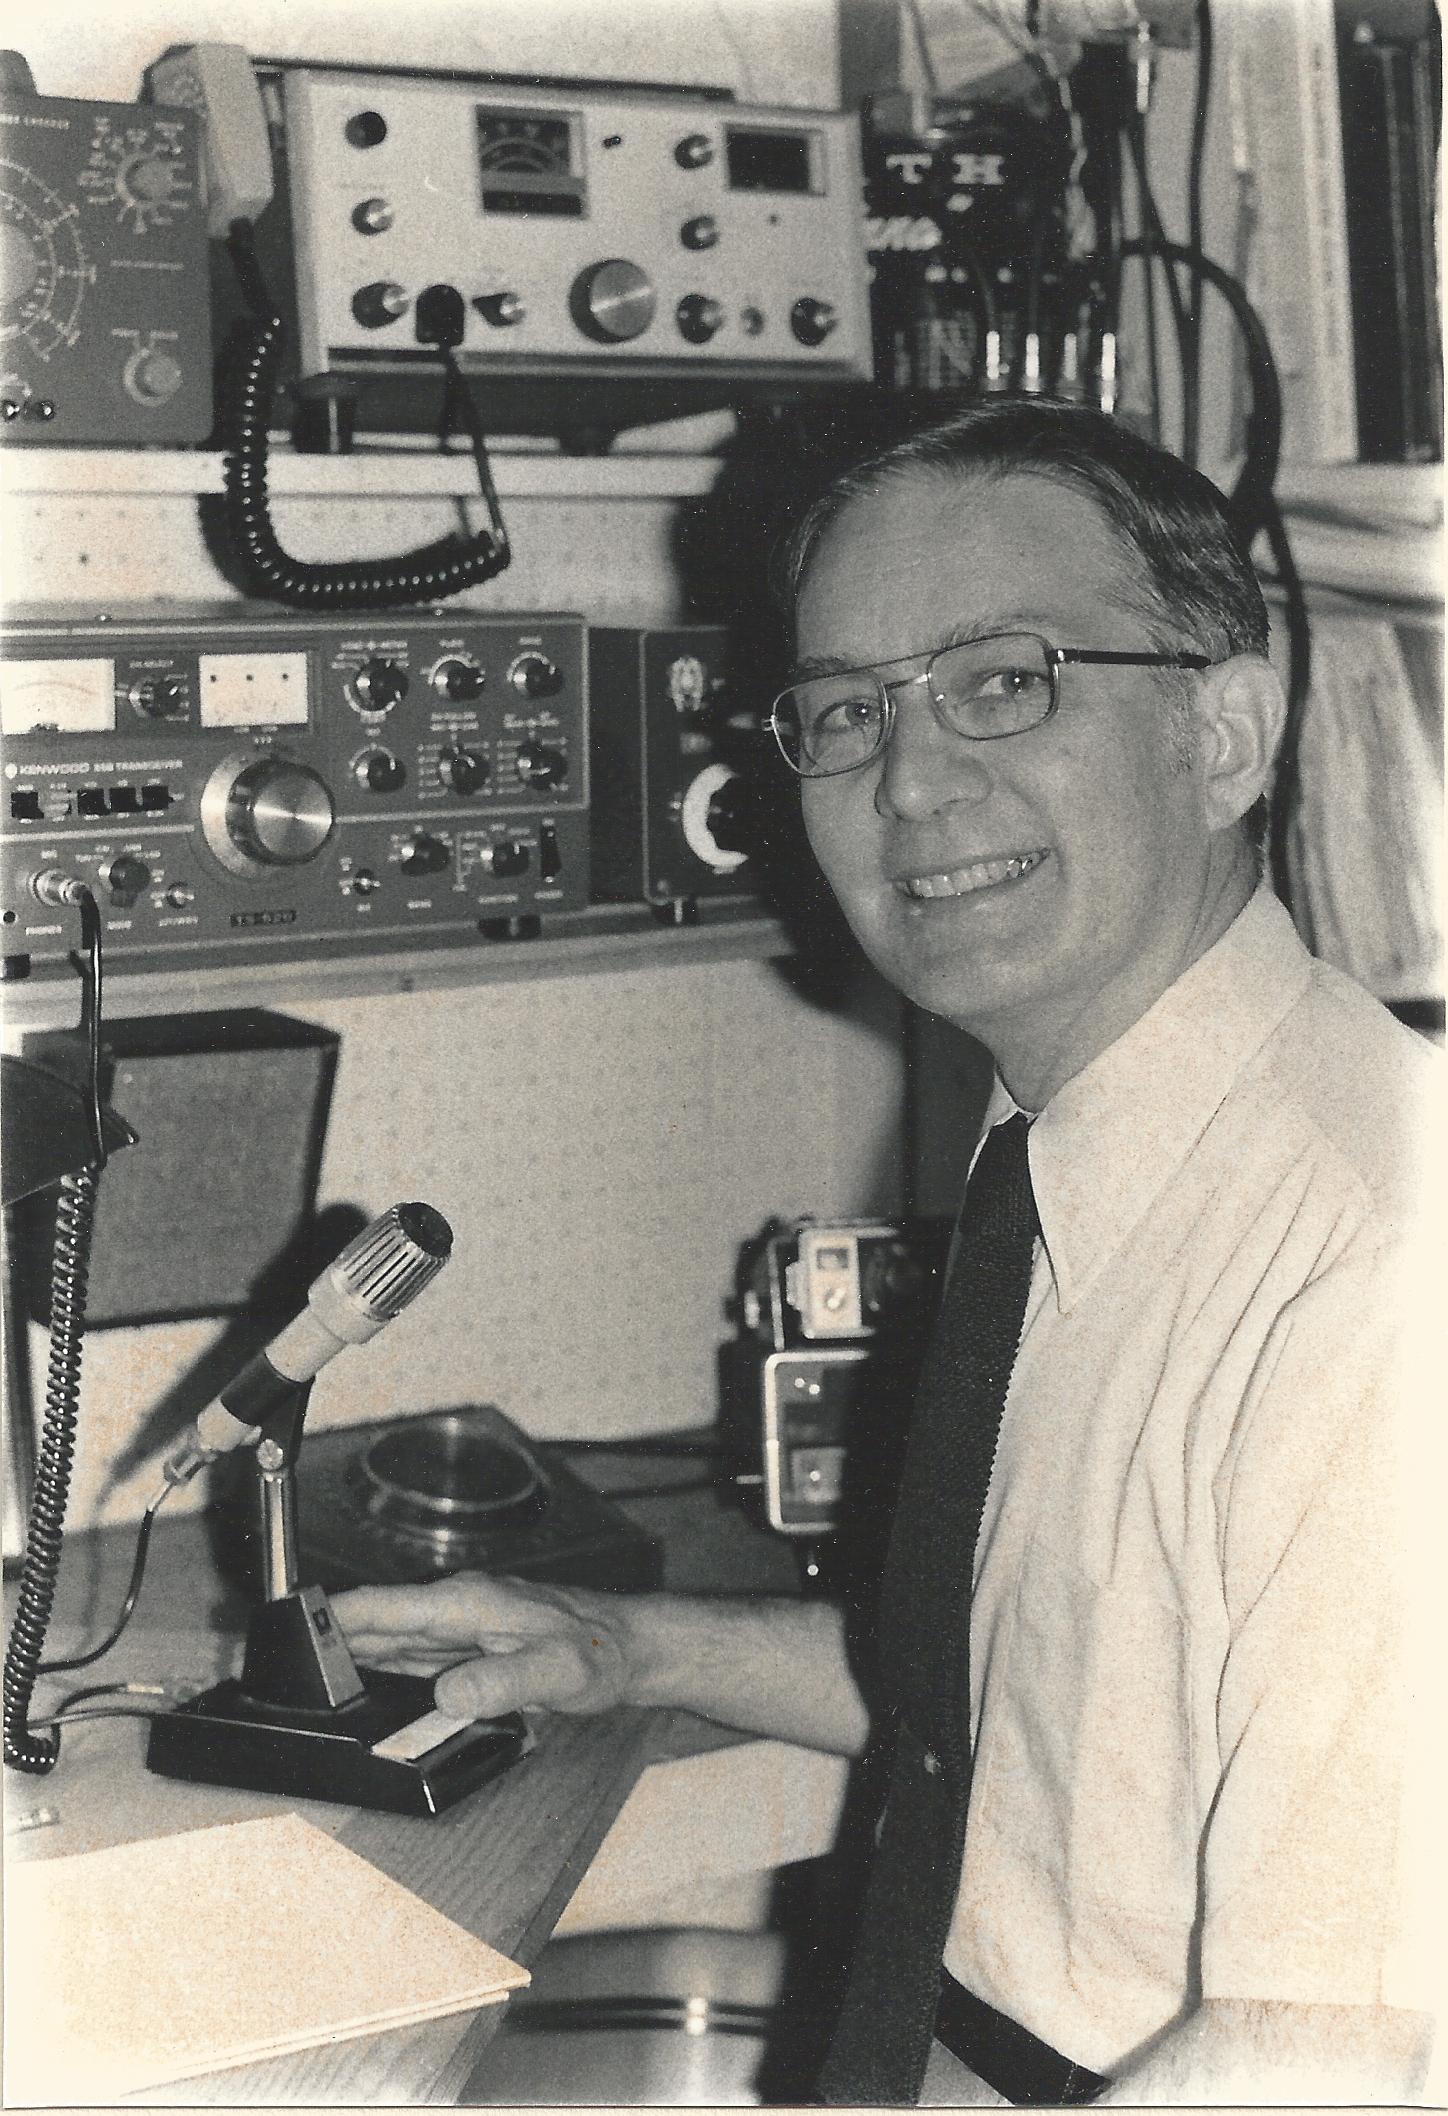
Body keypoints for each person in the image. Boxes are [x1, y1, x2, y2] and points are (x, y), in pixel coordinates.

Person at [333, 402, 1439, 2106]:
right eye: (849, 711)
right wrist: (630, 1648)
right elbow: (1049, 1693)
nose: (911, 783)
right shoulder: (1091, 1146)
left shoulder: (1375, 1274)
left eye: (1005, 681)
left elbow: (1332, 2057)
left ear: (1225, 736)